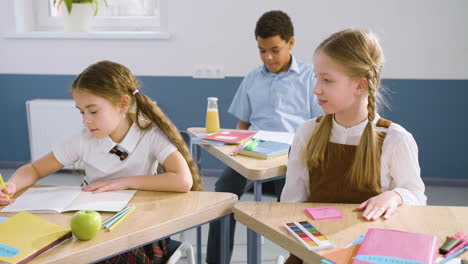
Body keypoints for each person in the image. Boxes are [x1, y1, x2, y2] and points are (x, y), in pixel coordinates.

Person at [0, 60, 202, 263]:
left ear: (123, 104)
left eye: (93, 111)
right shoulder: (82, 138)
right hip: (91, 224)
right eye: (81, 111)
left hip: (140, 228)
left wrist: (124, 182)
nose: (85, 120)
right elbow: (34, 169)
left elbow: (182, 180)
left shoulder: (150, 134)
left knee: (108, 256)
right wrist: (12, 185)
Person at [281, 29, 427, 263]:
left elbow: (416, 196)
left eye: (327, 80)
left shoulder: (395, 139)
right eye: (316, 78)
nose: (316, 89)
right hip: (314, 253)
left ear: (359, 85)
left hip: (372, 255)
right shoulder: (307, 133)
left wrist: (396, 196)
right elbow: (291, 203)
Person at [206, 10, 322, 263]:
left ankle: (299, 257)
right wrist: (234, 152)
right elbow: (242, 124)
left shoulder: (310, 77)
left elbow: (319, 126)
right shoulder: (252, 78)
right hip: (254, 153)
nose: (268, 57)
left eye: (275, 49)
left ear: (291, 43)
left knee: (293, 199)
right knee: (222, 191)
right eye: (261, 50)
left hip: (292, 155)